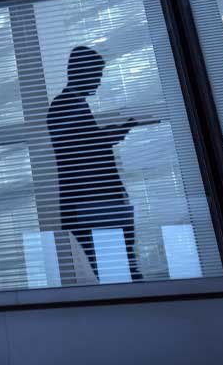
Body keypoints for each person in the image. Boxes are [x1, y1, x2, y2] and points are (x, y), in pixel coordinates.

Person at [46, 46, 144, 282]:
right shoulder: (64, 106)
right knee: (119, 273)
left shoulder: (72, 105)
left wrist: (109, 134)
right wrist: (110, 135)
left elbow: (84, 145)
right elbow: (81, 151)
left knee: (120, 270)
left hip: (95, 205)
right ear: (81, 72)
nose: (98, 82)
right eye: (96, 75)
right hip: (93, 206)